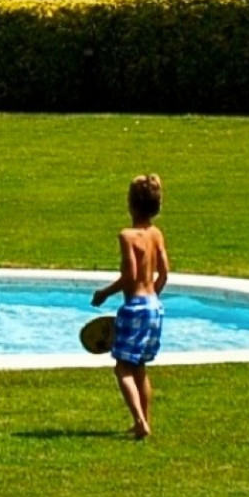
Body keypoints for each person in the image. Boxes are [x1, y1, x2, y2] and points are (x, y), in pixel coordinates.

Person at [91, 172, 170, 439]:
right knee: (140, 367)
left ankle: (139, 420)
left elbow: (130, 277)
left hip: (134, 306)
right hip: (154, 306)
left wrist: (104, 293)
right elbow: (164, 273)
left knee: (122, 367)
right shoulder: (156, 234)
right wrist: (152, 298)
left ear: (131, 204)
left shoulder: (127, 236)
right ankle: (143, 420)